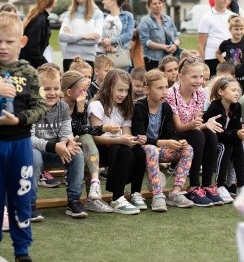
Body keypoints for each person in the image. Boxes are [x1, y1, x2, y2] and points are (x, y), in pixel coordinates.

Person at [0, 12, 47, 262]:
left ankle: (22, 250)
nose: (3, 46)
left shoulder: (29, 71)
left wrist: (18, 119)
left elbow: (41, 106)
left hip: (20, 145)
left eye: (9, 41)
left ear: (22, 41)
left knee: (21, 196)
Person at [132, 69, 194, 211]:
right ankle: (158, 195)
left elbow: (170, 133)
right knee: (151, 149)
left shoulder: (166, 107)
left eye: (166, 87)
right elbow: (140, 137)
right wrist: (164, 143)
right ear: (147, 89)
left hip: (161, 149)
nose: (165, 91)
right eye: (159, 88)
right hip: (143, 150)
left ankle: (175, 192)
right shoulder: (139, 107)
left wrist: (178, 141)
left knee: (188, 148)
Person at [31, 65, 87, 218]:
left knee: (77, 152)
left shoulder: (62, 107)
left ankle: (74, 201)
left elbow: (66, 131)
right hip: (37, 149)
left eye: (56, 88)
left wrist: (68, 142)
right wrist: (55, 146)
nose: (52, 93)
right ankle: (29, 203)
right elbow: (28, 139)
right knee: (33, 156)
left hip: (56, 149)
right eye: (47, 89)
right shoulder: (32, 107)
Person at [88, 69, 146, 215]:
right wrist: (121, 140)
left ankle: (135, 193)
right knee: (123, 151)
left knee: (138, 151)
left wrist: (133, 140)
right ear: (109, 88)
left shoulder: (125, 107)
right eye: (120, 90)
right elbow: (95, 137)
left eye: (126, 90)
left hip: (116, 145)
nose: (123, 94)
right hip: (99, 147)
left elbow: (126, 132)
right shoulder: (96, 105)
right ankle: (117, 197)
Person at [165, 56, 221, 207]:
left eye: (201, 77)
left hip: (191, 130)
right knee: (198, 136)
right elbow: (177, 127)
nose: (199, 81)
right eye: (194, 77)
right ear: (181, 77)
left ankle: (207, 185)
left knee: (210, 134)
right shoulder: (171, 94)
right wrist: (198, 125)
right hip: (172, 134)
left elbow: (197, 122)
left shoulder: (201, 92)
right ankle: (193, 186)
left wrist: (205, 124)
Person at [61, 70, 114, 213]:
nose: (85, 94)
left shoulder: (81, 103)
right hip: (60, 144)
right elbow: (74, 129)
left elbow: (83, 130)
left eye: (86, 90)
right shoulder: (59, 105)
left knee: (86, 138)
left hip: (77, 143)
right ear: (69, 92)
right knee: (84, 139)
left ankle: (94, 186)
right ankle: (87, 194)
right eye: (82, 90)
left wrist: (103, 128)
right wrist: (79, 111)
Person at [205, 76, 244, 203]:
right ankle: (219, 185)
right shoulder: (215, 107)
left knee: (239, 144)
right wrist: (237, 133)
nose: (237, 93)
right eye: (233, 90)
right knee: (225, 147)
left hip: (227, 138)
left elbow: (236, 128)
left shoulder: (237, 106)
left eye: (238, 90)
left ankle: (241, 185)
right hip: (212, 141)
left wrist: (241, 133)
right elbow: (218, 133)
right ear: (221, 92)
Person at [59, 0, 103, 72]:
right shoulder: (69, 13)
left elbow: (96, 39)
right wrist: (84, 36)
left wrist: (72, 38)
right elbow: (61, 37)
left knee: (86, 87)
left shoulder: (98, 14)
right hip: (69, 58)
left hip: (88, 59)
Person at [138, 0, 181, 71]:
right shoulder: (145, 21)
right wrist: (164, 47)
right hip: (153, 59)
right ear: (149, 6)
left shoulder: (169, 19)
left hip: (171, 58)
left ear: (163, 4)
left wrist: (175, 45)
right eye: (154, 4)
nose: (157, 6)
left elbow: (176, 36)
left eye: (159, 3)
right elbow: (146, 42)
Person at [218, 15, 244, 93]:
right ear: (230, 30)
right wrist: (224, 63)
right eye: (236, 29)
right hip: (231, 80)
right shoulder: (226, 43)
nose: (239, 32)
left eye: (241, 29)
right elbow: (218, 53)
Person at [198, 0, 233, 77]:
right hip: (212, 58)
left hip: (230, 57)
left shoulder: (232, 16)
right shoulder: (206, 17)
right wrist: (203, 64)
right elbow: (201, 44)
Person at [98, 0, 135, 70]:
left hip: (120, 55)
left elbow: (128, 35)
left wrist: (111, 41)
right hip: (102, 55)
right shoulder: (101, 16)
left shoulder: (128, 16)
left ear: (114, 1)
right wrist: (105, 43)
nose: (103, 1)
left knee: (120, 81)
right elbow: (97, 34)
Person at [20, 0, 55, 68]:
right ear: (53, 4)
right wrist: (45, 64)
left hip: (30, 63)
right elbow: (33, 47)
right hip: (31, 65)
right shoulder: (39, 20)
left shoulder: (38, 17)